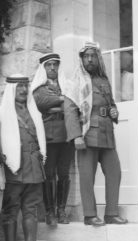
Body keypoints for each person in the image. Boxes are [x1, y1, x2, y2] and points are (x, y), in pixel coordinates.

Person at [64, 41, 127, 226]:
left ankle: (111, 213)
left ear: (98, 58)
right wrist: (76, 136)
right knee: (86, 177)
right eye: (86, 56)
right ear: (81, 59)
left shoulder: (104, 79)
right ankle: (90, 215)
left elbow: (111, 104)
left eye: (93, 56)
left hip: (107, 135)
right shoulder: (75, 81)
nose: (90, 59)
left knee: (115, 172)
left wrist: (114, 112)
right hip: (87, 135)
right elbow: (69, 110)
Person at [0, 74, 46, 241]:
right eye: (19, 86)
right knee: (10, 211)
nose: (24, 90)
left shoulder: (34, 112)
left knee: (31, 210)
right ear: (12, 89)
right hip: (13, 170)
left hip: (34, 170)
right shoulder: (3, 113)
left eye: (26, 86)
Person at [32, 53, 75, 225]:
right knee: (49, 175)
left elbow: (74, 103)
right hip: (48, 137)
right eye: (49, 65)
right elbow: (41, 102)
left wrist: (56, 107)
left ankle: (61, 211)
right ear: (43, 68)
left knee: (64, 175)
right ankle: (50, 212)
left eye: (55, 64)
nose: (52, 68)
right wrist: (62, 102)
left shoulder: (66, 85)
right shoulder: (38, 87)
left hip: (66, 136)